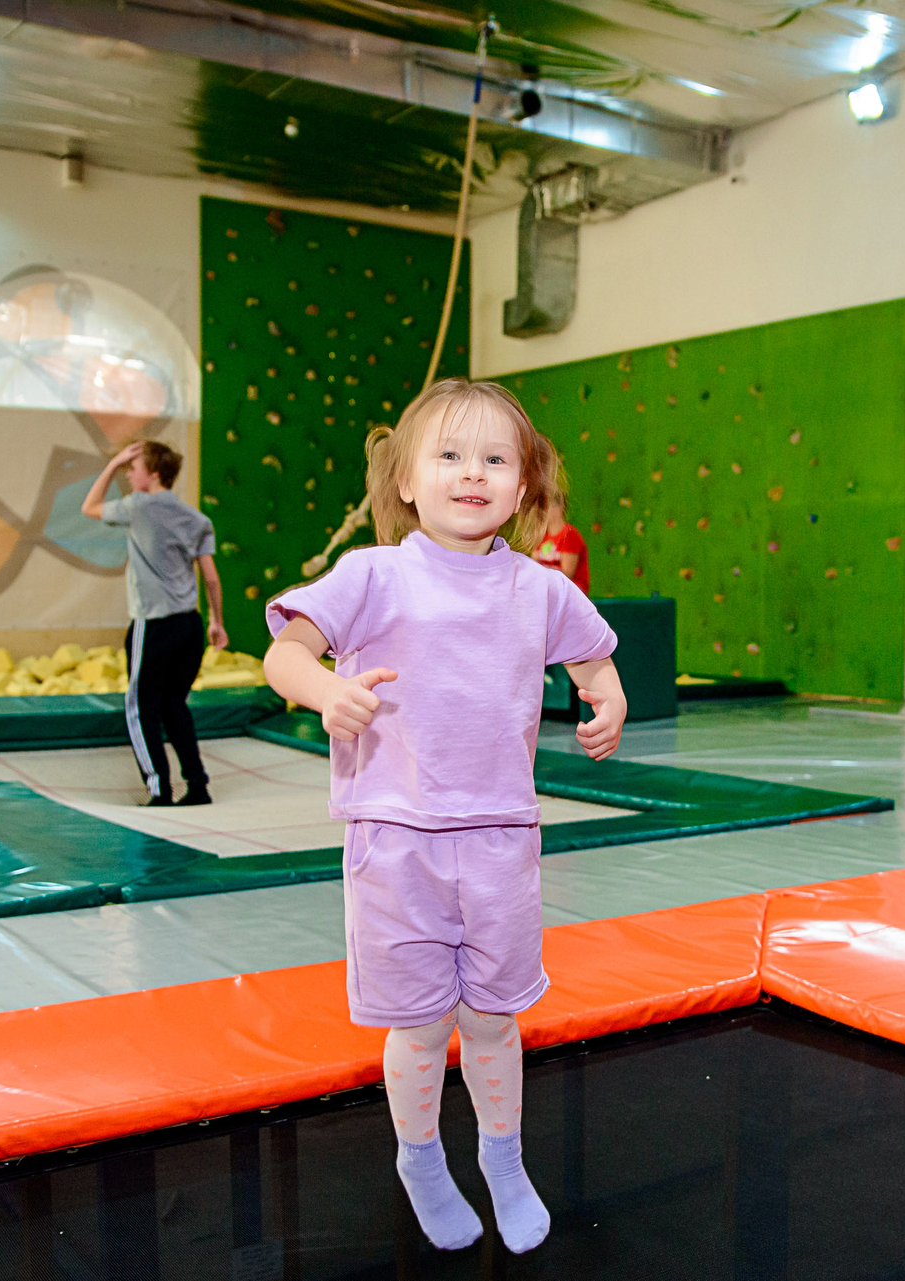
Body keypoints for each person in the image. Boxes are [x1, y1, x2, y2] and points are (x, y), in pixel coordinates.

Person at [261, 379, 627, 1256]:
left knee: (494, 1017)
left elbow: (594, 657)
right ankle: (420, 1158)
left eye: (495, 459)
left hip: (500, 840)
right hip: (396, 841)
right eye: (451, 456)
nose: (473, 474)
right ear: (407, 480)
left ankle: (503, 1156)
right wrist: (325, 690)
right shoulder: (375, 574)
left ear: (522, 484)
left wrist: (608, 701)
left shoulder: (538, 589)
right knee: (422, 1023)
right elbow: (284, 650)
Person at [81, 439, 228, 806]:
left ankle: (159, 788)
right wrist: (217, 621)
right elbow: (210, 577)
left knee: (140, 707)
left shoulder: (138, 507)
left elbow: (90, 507)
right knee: (174, 705)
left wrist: (111, 464)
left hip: (153, 624)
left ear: (154, 473)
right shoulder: (196, 519)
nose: (129, 475)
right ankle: (197, 785)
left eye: (134, 469)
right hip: (189, 625)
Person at [531, 492, 588, 592]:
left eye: (544, 507)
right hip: (549, 590)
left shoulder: (569, 535)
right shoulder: (542, 536)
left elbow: (567, 576)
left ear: (559, 507)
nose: (540, 512)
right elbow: (534, 567)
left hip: (570, 593)